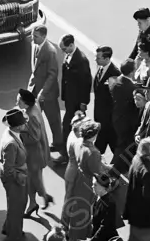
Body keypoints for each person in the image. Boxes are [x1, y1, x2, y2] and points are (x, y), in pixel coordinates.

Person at [62, 119, 105, 241]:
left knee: (75, 206)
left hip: (79, 179)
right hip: (87, 183)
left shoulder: (79, 142)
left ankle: (72, 231)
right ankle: (73, 240)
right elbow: (97, 172)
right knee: (82, 209)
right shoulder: (94, 152)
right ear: (94, 135)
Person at [28, 26, 62, 158]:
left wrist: (43, 92)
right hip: (36, 89)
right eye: (32, 35)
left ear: (43, 36)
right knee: (33, 118)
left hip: (47, 94)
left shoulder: (50, 52)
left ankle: (59, 144)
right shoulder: (35, 45)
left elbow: (52, 75)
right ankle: (36, 143)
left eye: (35, 36)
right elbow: (34, 68)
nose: (32, 38)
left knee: (53, 119)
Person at [16, 89, 51, 215]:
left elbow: (34, 137)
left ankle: (43, 197)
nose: (16, 101)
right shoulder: (33, 107)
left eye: (19, 100)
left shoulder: (30, 116)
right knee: (32, 179)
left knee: (34, 179)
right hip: (35, 152)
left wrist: (19, 132)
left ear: (25, 103)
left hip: (34, 153)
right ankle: (33, 203)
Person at [0, 108, 30, 241]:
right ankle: (14, 237)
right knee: (17, 207)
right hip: (15, 180)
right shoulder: (11, 143)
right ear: (18, 126)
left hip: (15, 177)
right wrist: (21, 177)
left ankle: (10, 228)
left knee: (14, 205)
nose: (25, 124)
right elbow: (8, 169)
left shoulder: (10, 133)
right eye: (24, 123)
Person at [60, 36, 93, 156]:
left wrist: (83, 103)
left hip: (77, 101)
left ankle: (66, 153)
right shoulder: (69, 55)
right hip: (70, 99)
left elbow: (86, 83)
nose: (63, 51)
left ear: (71, 45)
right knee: (74, 126)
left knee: (70, 126)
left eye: (64, 48)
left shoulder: (81, 60)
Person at [81, 173, 118, 241]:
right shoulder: (98, 196)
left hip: (104, 238)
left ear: (103, 187)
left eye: (95, 185)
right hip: (98, 234)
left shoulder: (109, 204)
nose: (92, 186)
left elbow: (105, 227)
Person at [91, 52, 119, 157]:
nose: (95, 59)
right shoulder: (101, 68)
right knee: (107, 142)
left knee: (108, 142)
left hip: (108, 118)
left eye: (98, 58)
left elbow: (115, 97)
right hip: (101, 115)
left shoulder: (114, 73)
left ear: (107, 58)